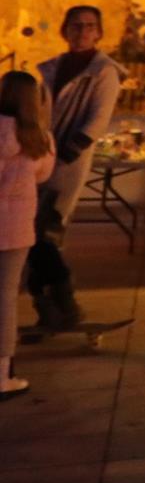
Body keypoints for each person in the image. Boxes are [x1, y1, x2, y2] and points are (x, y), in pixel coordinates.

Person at [28, 5, 124, 332]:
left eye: (89, 26)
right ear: (65, 30)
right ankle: (48, 310)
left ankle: (65, 305)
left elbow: (97, 120)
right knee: (29, 234)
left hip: (65, 162)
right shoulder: (55, 67)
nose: (82, 32)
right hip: (39, 158)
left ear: (98, 32)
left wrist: (64, 154)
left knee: (45, 233)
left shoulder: (103, 71)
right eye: (76, 26)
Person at [0, 71, 55, 397]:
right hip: (17, 226)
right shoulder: (40, 138)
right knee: (5, 297)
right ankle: (3, 370)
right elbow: (43, 174)